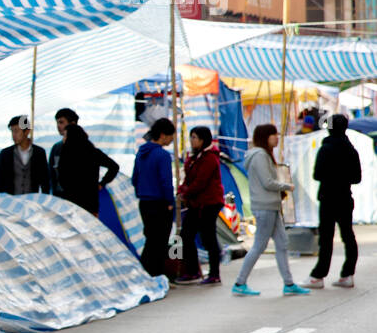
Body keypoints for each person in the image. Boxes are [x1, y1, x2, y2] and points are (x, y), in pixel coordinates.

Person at [233, 124, 309, 296]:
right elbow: (267, 182)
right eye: (274, 134)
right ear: (265, 137)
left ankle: (288, 283)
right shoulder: (260, 156)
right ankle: (240, 281)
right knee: (259, 246)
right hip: (265, 206)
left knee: (282, 243)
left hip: (271, 206)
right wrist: (286, 186)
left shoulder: (262, 155)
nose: (277, 137)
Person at [306, 114, 361, 288]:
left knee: (326, 238)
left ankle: (318, 275)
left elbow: (317, 174)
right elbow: (357, 178)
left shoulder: (326, 149)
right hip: (345, 197)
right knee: (348, 235)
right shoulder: (351, 150)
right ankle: (348, 273)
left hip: (328, 198)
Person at [176, 126, 226, 285]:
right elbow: (189, 180)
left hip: (208, 203)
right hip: (196, 203)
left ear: (203, 140)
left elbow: (200, 182)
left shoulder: (210, 158)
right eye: (191, 137)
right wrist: (182, 189)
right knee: (187, 235)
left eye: (195, 137)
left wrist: (185, 192)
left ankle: (214, 274)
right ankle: (193, 271)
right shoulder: (194, 157)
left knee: (208, 238)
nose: (192, 140)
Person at [132, 118, 176, 278]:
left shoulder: (141, 153)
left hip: (144, 203)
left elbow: (134, 179)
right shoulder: (162, 155)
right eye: (171, 135)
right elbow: (166, 181)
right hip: (160, 203)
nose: (172, 139)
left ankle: (148, 273)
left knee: (151, 239)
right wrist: (170, 202)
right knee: (159, 242)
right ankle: (153, 274)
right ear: (163, 135)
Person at [54, 115, 120, 216]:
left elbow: (61, 177)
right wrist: (102, 183)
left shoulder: (66, 155)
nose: (64, 139)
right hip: (90, 201)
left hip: (71, 202)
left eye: (65, 136)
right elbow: (114, 166)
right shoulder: (93, 152)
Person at [0, 115, 50, 195]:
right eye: (12, 131)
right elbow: (0, 181)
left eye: (16, 131)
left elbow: (45, 180)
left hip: (32, 200)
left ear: (27, 131)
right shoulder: (5, 153)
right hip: (11, 201)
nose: (13, 135)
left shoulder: (39, 152)